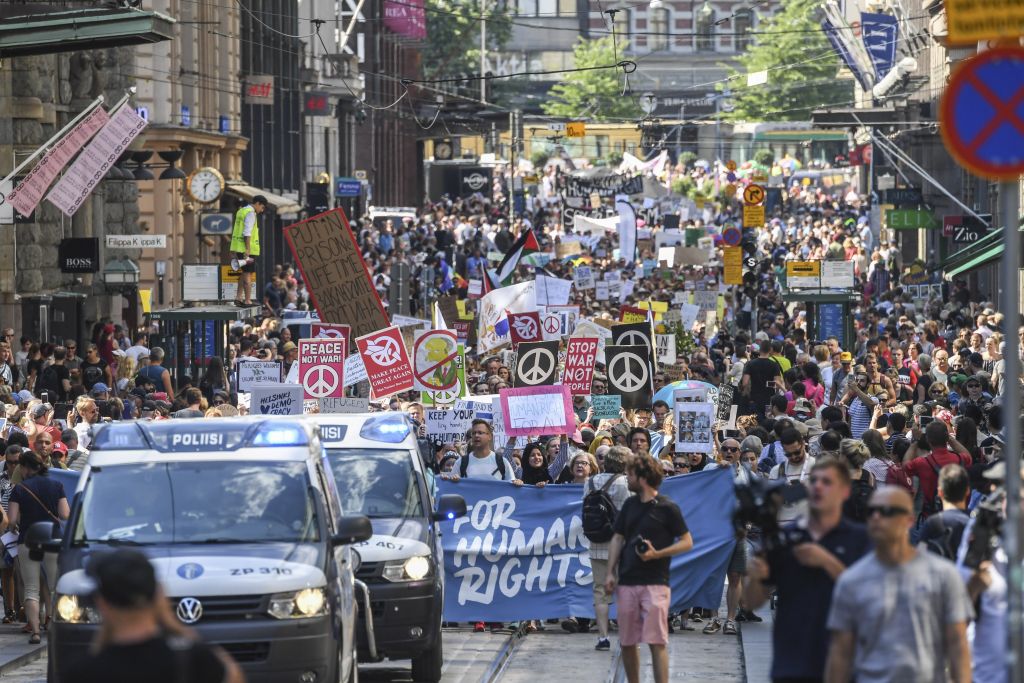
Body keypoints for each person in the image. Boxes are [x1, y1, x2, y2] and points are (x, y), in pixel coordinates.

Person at [824, 486, 973, 683]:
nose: (877, 517)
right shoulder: (851, 581)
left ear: (909, 520)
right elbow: (840, 653)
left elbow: (957, 645)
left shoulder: (943, 575)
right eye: (871, 512)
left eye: (887, 511)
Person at [744, 456, 870, 683]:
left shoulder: (860, 539)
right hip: (792, 661)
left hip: (841, 661)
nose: (819, 487)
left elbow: (868, 598)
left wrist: (826, 562)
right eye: (815, 481)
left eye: (827, 482)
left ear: (844, 492)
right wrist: (756, 578)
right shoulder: (788, 537)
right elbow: (752, 603)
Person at [63, 548, 244, 683]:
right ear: (158, 595)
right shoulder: (193, 658)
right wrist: (174, 624)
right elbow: (233, 675)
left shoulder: (82, 673)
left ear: (102, 603)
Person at [605, 453, 693, 683]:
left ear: (642, 478)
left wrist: (658, 554)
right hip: (627, 581)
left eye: (630, 474)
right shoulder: (629, 505)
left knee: (656, 641)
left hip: (656, 583)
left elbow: (687, 541)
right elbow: (617, 538)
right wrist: (610, 572)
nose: (627, 478)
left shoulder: (668, 508)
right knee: (627, 641)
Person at [7, 449, 70, 644]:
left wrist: (14, 527)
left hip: (28, 540)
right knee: (54, 586)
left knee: (31, 588)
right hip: (53, 539)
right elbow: (65, 514)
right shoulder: (57, 485)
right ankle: (52, 625)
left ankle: (35, 631)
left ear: (25, 468)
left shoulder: (20, 489)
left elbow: (12, 520)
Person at [579, 445, 631, 650]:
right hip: (621, 544)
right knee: (625, 591)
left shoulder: (590, 482)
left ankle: (602, 637)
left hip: (597, 543)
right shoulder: (624, 483)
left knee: (600, 591)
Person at [919, 463, 971, 560]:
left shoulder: (932, 522)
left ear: (940, 492)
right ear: (967, 491)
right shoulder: (976, 521)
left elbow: (920, 557)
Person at [230, 195, 267, 306]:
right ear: (258, 203)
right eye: (262, 207)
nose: (262, 210)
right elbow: (247, 232)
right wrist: (247, 249)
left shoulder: (242, 211)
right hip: (247, 251)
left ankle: (238, 297)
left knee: (244, 272)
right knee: (248, 274)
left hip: (239, 248)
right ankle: (247, 300)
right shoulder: (251, 213)